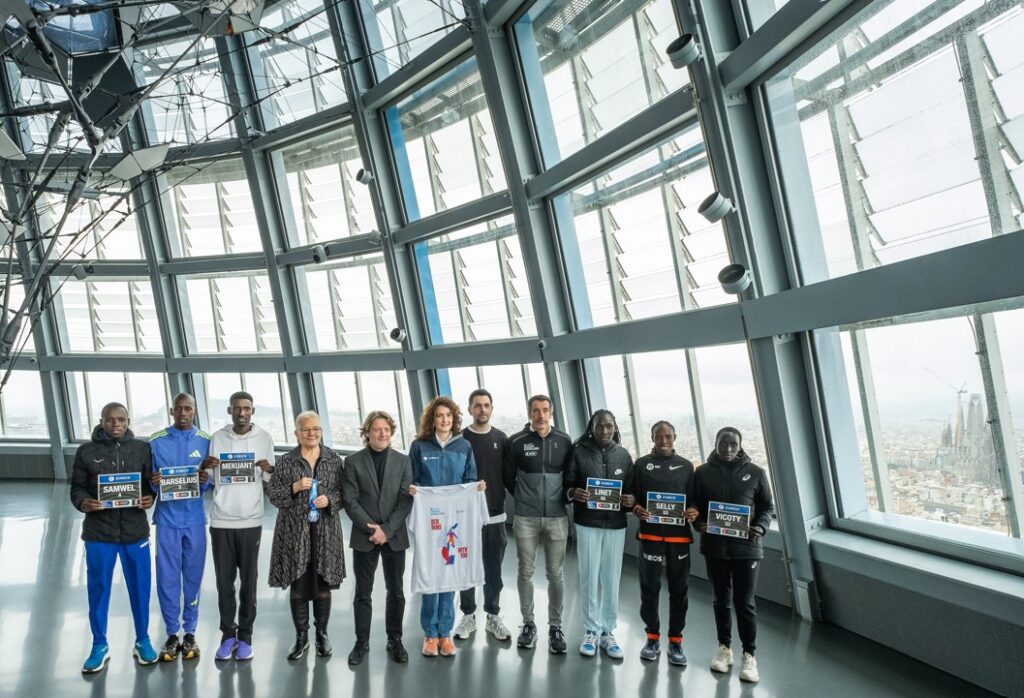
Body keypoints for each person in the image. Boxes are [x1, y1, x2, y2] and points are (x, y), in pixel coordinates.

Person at [70, 402, 158, 673]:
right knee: (98, 589)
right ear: (102, 422)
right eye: (110, 420)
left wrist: (149, 497)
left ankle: (142, 640)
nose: (116, 424)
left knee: (140, 588)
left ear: (128, 421)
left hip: (135, 532)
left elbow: (150, 484)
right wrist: (84, 502)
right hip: (99, 533)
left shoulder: (142, 449)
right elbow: (76, 488)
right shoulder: (86, 451)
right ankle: (99, 644)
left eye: (121, 419)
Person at [692, 427, 774, 683]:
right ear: (715, 443)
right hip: (715, 548)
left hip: (746, 549)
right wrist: (698, 523)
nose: (728, 448)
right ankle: (724, 649)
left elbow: (767, 507)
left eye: (733, 444)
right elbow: (695, 505)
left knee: (745, 603)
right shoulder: (702, 472)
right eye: (723, 443)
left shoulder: (756, 473)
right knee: (721, 600)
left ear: (740, 446)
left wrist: (761, 527)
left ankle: (749, 655)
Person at [407, 396, 483, 658]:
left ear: (454, 419)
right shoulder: (419, 446)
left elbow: (470, 479)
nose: (444, 419)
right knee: (430, 574)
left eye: (448, 415)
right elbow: (413, 478)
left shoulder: (464, 446)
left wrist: (477, 487)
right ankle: (429, 633)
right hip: (430, 521)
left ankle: (445, 633)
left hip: (455, 521)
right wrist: (415, 489)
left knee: (450, 572)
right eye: (439, 415)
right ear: (432, 419)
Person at [268, 411, 346, 661]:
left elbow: (344, 493)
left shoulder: (333, 459)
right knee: (298, 583)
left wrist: (329, 500)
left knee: (323, 583)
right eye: (305, 429)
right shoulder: (286, 461)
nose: (311, 433)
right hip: (294, 531)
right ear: (296, 433)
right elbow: (273, 495)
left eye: (316, 429)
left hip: (325, 531)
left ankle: (322, 634)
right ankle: (301, 637)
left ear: (321, 431)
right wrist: (293, 487)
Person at [205, 391, 276, 661]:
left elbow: (270, 480)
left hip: (251, 520)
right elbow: (211, 478)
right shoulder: (218, 438)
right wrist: (206, 467)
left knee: (249, 583)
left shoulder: (264, 438)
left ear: (252, 411)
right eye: (237, 408)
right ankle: (227, 635)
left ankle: (245, 636)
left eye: (246, 408)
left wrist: (269, 469)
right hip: (221, 520)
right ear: (230, 411)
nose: (242, 413)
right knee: (224, 584)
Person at [502, 394, 573, 654]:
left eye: (545, 410)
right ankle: (529, 624)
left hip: (557, 517)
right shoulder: (516, 442)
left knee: (556, 574)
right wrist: (524, 498)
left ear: (551, 412)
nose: (541, 415)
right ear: (529, 413)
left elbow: (570, 475)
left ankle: (556, 627)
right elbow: (508, 477)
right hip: (526, 517)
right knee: (525, 572)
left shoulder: (564, 440)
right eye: (536, 410)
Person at [342, 410, 413, 666]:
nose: (382, 433)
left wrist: (387, 530)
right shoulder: (352, 462)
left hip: (394, 536)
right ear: (367, 433)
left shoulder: (403, 461)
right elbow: (350, 500)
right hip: (365, 536)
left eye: (386, 429)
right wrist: (373, 530)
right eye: (376, 429)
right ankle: (361, 642)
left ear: (391, 432)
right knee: (363, 592)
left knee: (396, 591)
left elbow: (405, 500)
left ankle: (395, 639)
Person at [624, 421, 698, 666]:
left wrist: (693, 510)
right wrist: (636, 508)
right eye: (659, 437)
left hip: (679, 539)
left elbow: (694, 500)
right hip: (650, 537)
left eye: (668, 436)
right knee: (649, 588)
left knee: (679, 590)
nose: (664, 441)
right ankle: (652, 638)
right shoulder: (641, 464)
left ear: (674, 437)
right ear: (652, 438)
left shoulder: (687, 467)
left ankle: (676, 641)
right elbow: (632, 496)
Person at [149, 393, 213, 662]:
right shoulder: (155, 441)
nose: (183, 413)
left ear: (195, 411)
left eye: (188, 408)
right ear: (172, 411)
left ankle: (190, 632)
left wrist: (205, 479)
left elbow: (210, 482)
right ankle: (172, 633)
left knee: (193, 578)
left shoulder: (207, 441)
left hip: (195, 520)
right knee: (167, 579)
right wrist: (153, 483)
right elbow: (150, 483)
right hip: (166, 521)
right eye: (179, 409)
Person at [566, 410, 633, 659]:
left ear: (615, 427)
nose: (605, 431)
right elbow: (567, 484)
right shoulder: (579, 452)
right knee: (589, 577)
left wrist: (631, 500)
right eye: (599, 426)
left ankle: (607, 631)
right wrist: (574, 493)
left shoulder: (624, 455)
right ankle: (590, 630)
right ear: (591, 428)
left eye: (609, 426)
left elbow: (632, 490)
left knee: (611, 579)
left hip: (615, 525)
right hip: (587, 523)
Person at [452, 389, 512, 642]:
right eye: (477, 405)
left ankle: (493, 615)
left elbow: (508, 476)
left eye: (486, 405)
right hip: (465, 517)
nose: (482, 410)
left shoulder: (501, 439)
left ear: (492, 408)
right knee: (466, 568)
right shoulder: (459, 439)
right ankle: (468, 615)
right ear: (469, 410)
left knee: (493, 571)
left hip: (495, 515)